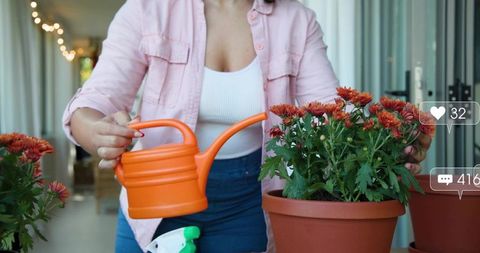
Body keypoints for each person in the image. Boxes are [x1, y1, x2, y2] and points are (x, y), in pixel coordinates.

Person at [62, 0, 431, 252]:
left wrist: (388, 146)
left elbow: (331, 115)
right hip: (156, 199)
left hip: (249, 202)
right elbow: (92, 104)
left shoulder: (296, 20)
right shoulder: (148, 9)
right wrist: (97, 132)